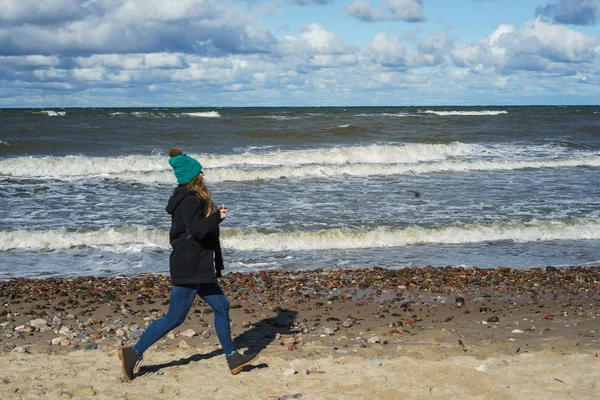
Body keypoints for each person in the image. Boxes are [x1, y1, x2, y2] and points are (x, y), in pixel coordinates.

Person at [118, 147, 258, 381]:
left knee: (222, 306)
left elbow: (197, 230)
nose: (203, 173)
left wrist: (213, 219)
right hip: (189, 264)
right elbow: (196, 230)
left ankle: (232, 357)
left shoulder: (188, 197)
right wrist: (217, 217)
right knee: (175, 317)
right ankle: (132, 353)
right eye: (199, 171)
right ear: (193, 177)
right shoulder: (189, 200)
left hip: (198, 264)